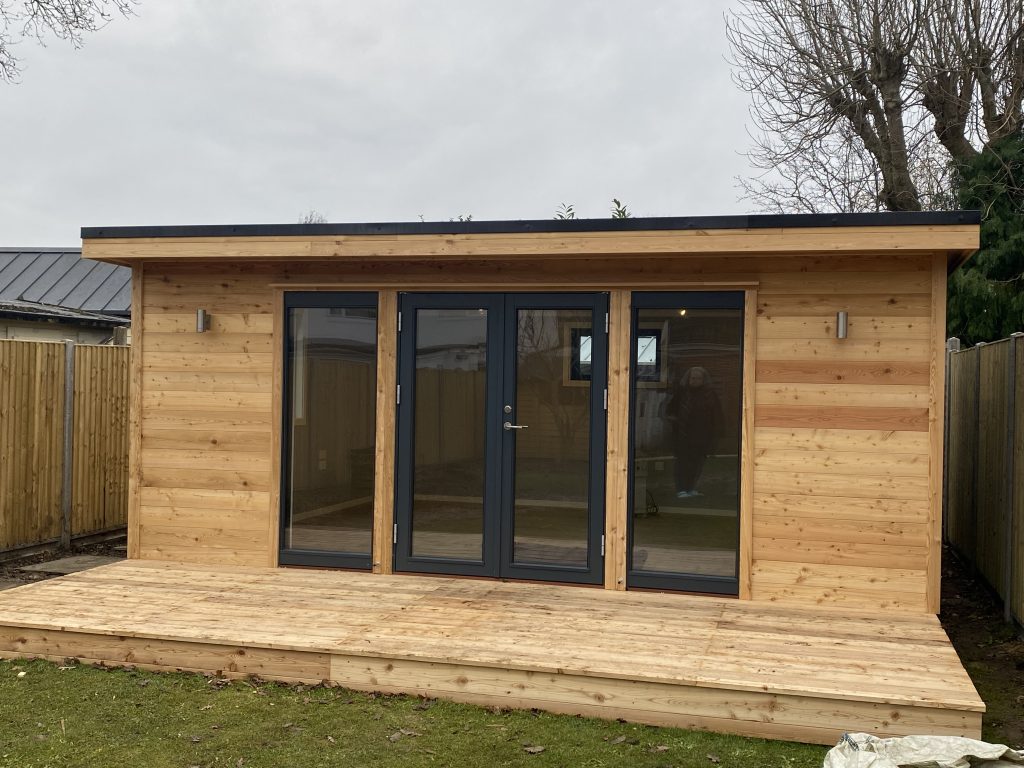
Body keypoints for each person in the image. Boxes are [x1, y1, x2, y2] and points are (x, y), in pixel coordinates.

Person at [665, 366, 722, 499]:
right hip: (683, 435)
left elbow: (716, 415)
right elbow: (669, 411)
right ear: (688, 378)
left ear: (703, 380)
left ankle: (691, 488)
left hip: (702, 435)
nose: (694, 380)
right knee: (682, 463)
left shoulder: (709, 394)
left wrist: (716, 432)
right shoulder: (681, 393)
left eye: (698, 378)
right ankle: (681, 489)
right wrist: (676, 420)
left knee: (697, 464)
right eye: (692, 378)